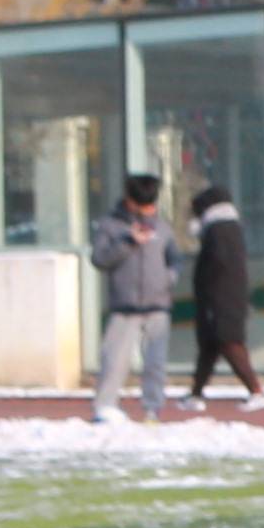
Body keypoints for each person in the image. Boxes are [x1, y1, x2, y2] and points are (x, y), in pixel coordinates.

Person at [87, 174, 177, 424]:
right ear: (130, 201)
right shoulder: (110, 226)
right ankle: (104, 407)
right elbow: (99, 259)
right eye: (144, 204)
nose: (150, 210)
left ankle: (152, 409)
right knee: (113, 359)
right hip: (124, 305)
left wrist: (168, 279)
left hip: (158, 305)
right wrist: (128, 242)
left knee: (155, 363)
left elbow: (173, 258)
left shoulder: (162, 226)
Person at [189, 186, 264, 402]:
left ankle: (256, 391)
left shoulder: (218, 230)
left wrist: (206, 287)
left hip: (220, 298)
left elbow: (217, 263)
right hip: (227, 296)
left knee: (229, 343)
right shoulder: (230, 228)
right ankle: (196, 393)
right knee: (210, 347)